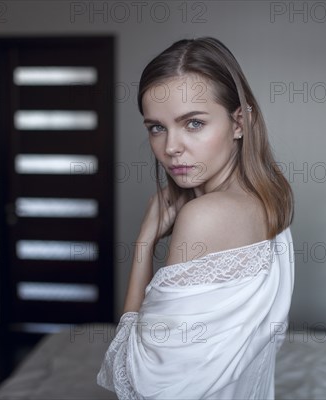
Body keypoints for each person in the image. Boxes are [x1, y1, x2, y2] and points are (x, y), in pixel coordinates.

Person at [97, 37, 295, 399]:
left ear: (239, 122)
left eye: (193, 124)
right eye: (156, 127)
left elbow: (141, 379)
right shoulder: (272, 196)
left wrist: (144, 243)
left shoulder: (205, 216)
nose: (171, 147)